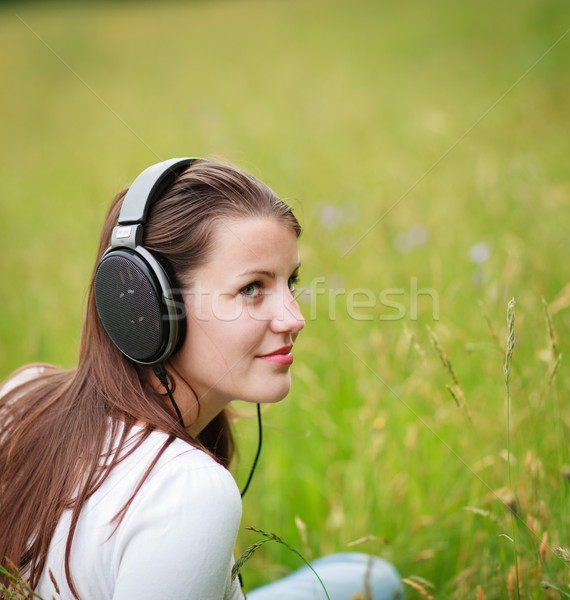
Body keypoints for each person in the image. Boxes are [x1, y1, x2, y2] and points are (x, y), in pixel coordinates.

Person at [0, 158, 403, 600]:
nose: (295, 318)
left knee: (370, 576)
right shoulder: (189, 491)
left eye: (291, 281)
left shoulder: (24, 393)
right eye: (251, 288)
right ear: (145, 307)